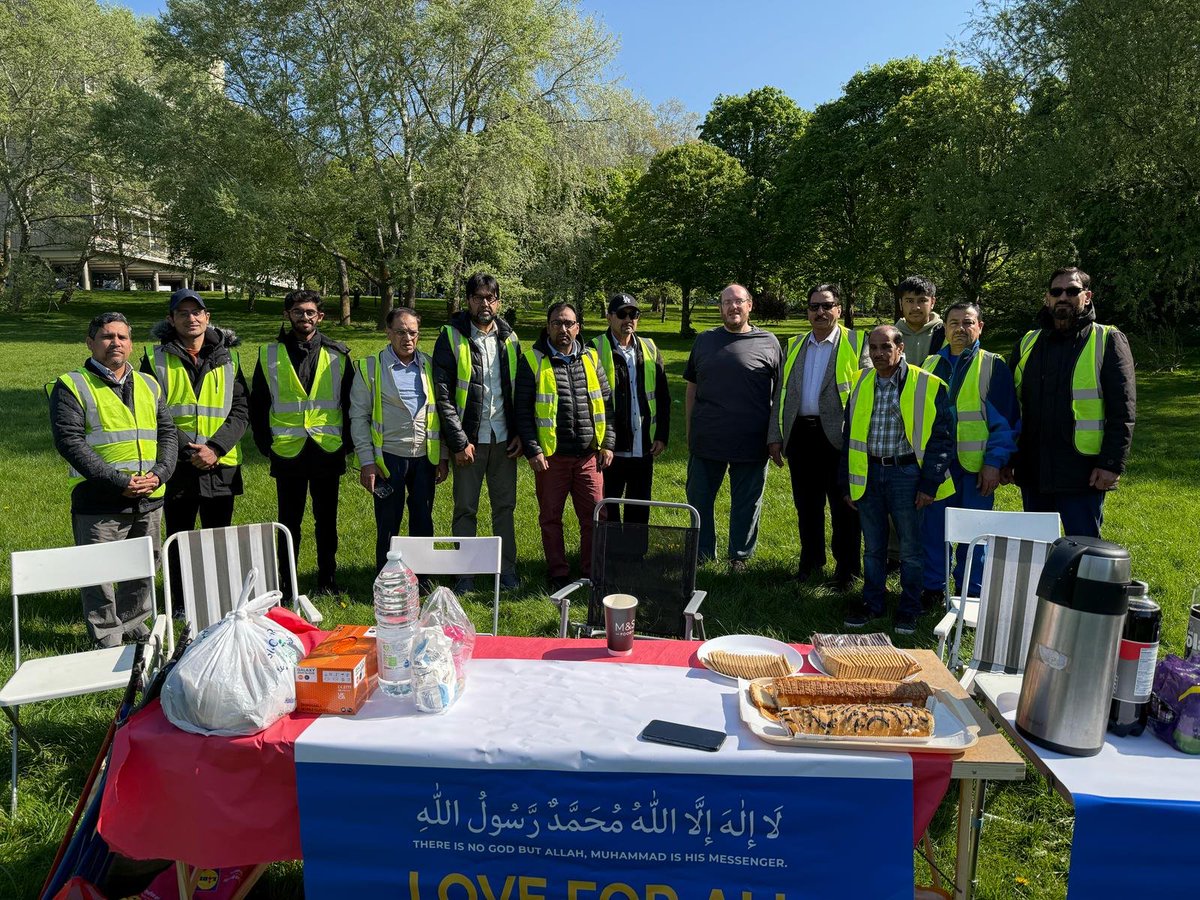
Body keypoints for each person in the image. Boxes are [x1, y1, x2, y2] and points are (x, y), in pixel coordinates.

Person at [49, 312, 177, 647]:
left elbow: (167, 433)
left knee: (143, 567)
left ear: (131, 344)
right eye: (107, 336)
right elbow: (69, 441)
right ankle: (106, 636)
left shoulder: (149, 384)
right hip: (99, 499)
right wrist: (117, 481)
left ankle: (134, 623)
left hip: (149, 496)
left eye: (122, 337)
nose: (115, 343)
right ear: (90, 343)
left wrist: (161, 473)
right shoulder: (72, 384)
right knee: (99, 573)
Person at [840, 325, 954, 634]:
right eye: (874, 348)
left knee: (911, 550)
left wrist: (929, 484)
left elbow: (942, 438)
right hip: (869, 473)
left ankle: (910, 608)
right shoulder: (861, 381)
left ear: (900, 348)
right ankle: (872, 603)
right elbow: (849, 435)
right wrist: (847, 481)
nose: (878, 353)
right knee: (873, 548)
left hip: (906, 474)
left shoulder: (927, 383)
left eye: (886, 347)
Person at [1007, 267, 1135, 537]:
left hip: (1083, 472)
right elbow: (1011, 408)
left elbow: (1122, 411)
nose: (1063, 297)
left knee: (1084, 549)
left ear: (1087, 296)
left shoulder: (1107, 339)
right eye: (1056, 292)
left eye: (1072, 291)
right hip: (1033, 470)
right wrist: (1007, 459)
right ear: (1047, 298)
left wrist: (1111, 464)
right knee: (1037, 547)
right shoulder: (1027, 343)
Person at [250, 289, 353, 595]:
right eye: (298, 311)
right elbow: (258, 403)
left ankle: (327, 579)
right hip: (287, 451)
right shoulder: (269, 354)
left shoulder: (338, 354)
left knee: (327, 520)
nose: (304, 317)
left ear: (320, 317)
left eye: (310, 312)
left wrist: (347, 443)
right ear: (287, 315)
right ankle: (286, 582)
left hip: (327, 449)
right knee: (288, 522)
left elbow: (351, 403)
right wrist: (265, 443)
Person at [768, 283, 870, 590]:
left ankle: (847, 571)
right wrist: (775, 435)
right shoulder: (795, 344)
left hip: (840, 438)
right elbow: (780, 393)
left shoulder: (858, 342)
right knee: (807, 506)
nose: (820, 312)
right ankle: (810, 564)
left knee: (844, 508)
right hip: (801, 436)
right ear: (808, 311)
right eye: (814, 307)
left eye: (827, 306)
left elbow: (868, 391)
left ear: (839, 309)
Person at [918, 302, 1019, 607]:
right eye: (954, 323)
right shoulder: (930, 364)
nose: (960, 329)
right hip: (937, 468)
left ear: (980, 327)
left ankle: (970, 593)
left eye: (968, 322)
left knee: (975, 533)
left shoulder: (992, 365)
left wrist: (994, 463)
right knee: (933, 529)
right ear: (944, 328)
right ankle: (933, 588)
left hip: (976, 468)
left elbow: (1005, 422)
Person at [515, 301, 615, 592]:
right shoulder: (532, 360)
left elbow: (607, 405)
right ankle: (558, 573)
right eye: (557, 323)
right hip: (551, 458)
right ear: (548, 327)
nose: (563, 329)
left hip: (588, 456)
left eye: (569, 323)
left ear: (578, 328)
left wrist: (608, 443)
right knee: (550, 518)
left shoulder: (591, 358)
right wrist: (533, 449)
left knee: (595, 517)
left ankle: (592, 573)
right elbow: (522, 411)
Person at [432, 273, 523, 591]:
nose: (485, 303)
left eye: (491, 297)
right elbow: (442, 394)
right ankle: (464, 575)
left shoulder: (510, 338)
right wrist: (458, 442)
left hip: (504, 440)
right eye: (478, 297)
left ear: (498, 301)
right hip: (469, 441)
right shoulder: (451, 336)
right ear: (468, 301)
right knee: (465, 509)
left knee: (504, 508)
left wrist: (519, 433)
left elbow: (518, 391)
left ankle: (506, 570)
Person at [684, 283, 782, 570]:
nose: (733, 307)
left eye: (738, 301)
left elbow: (781, 394)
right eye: (726, 302)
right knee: (699, 499)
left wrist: (775, 436)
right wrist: (690, 430)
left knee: (747, 503)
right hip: (707, 437)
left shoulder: (769, 342)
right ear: (720, 308)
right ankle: (702, 554)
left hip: (752, 440)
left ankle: (739, 556)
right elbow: (691, 388)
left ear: (750, 305)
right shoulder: (704, 340)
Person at [142, 288, 248, 542]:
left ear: (207, 317)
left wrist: (215, 448)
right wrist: (191, 452)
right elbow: (151, 411)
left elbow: (241, 409)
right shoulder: (154, 359)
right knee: (179, 541)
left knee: (220, 542)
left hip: (221, 465)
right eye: (183, 313)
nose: (191, 318)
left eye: (197, 312)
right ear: (171, 319)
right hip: (177, 465)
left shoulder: (230, 358)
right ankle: (179, 575)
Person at [351, 306, 449, 572]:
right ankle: (387, 578)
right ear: (388, 332)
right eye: (401, 332)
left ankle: (423, 576)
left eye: (413, 333)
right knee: (388, 523)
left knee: (423, 520)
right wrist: (367, 462)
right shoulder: (370, 367)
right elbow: (358, 418)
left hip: (425, 457)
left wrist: (442, 456)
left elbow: (440, 413)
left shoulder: (430, 365)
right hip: (388, 458)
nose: (408, 338)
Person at [590, 292, 670, 524]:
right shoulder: (594, 348)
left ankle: (635, 548)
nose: (628, 319)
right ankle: (611, 548)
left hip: (643, 447)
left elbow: (662, 396)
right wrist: (600, 443)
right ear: (609, 317)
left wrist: (662, 435)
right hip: (609, 449)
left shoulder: (650, 348)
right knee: (609, 512)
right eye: (622, 314)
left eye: (633, 314)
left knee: (639, 511)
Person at [895, 275, 945, 365]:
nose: (916, 307)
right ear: (900, 303)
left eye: (922, 301)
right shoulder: (889, 336)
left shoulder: (946, 334)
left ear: (932, 302)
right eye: (909, 301)